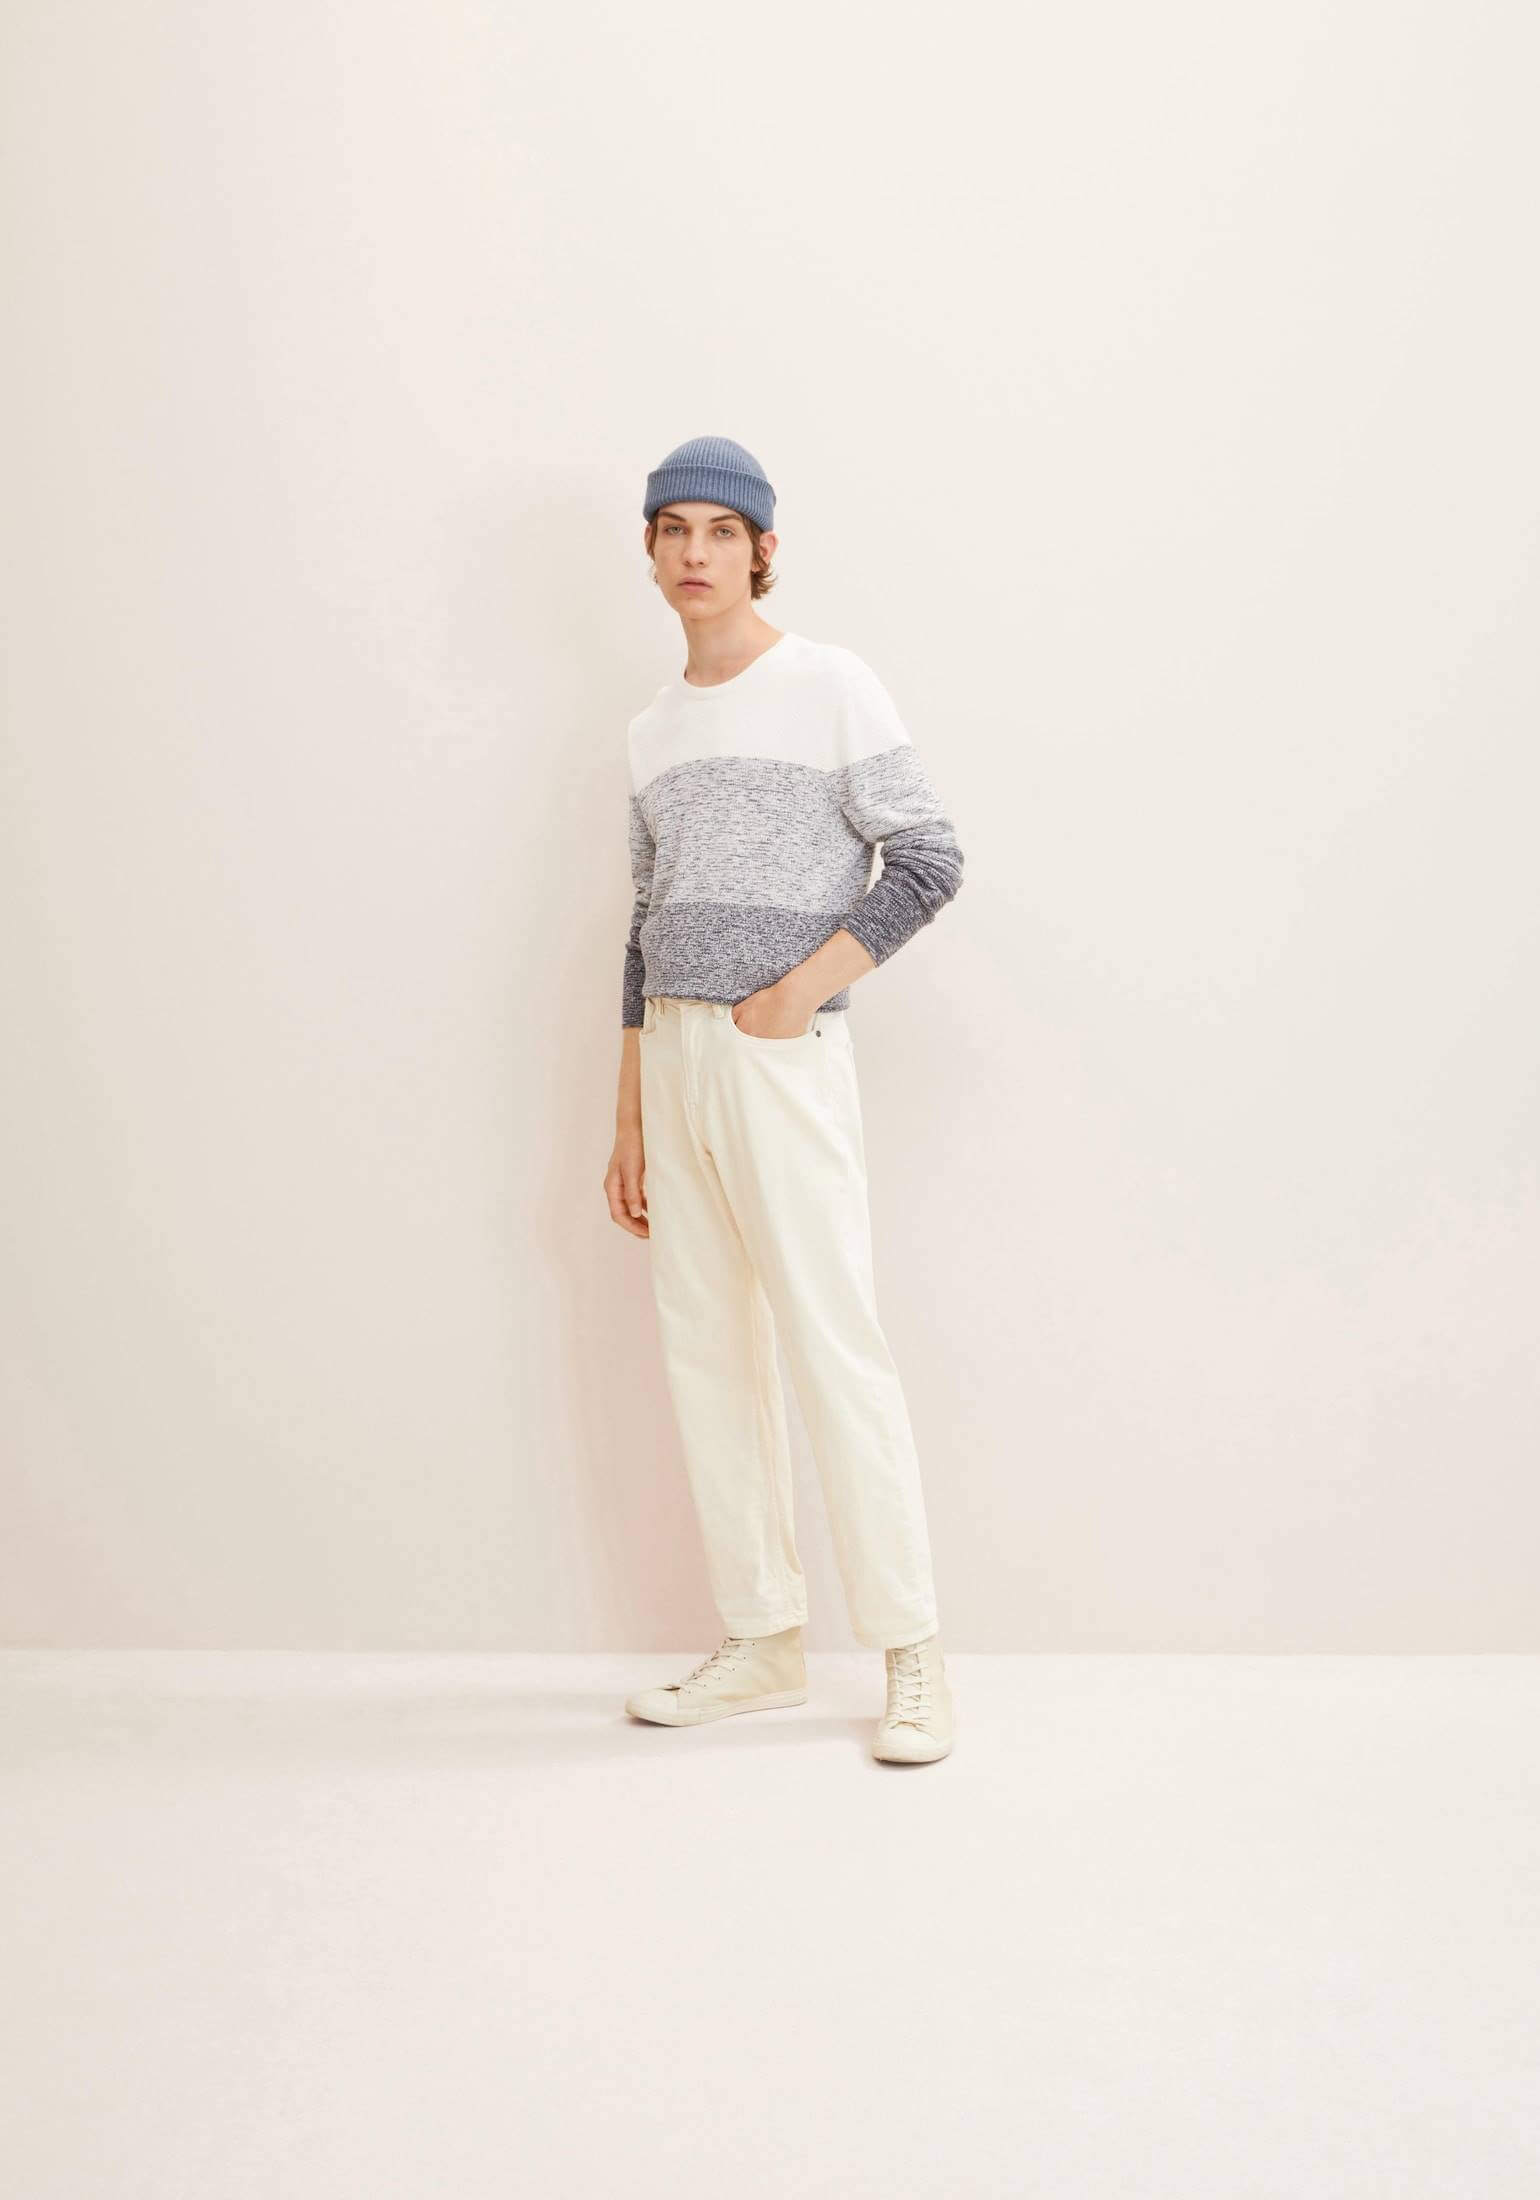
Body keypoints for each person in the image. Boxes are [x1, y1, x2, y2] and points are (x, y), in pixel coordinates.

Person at [603, 435, 965, 1764]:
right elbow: (642, 927)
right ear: (652, 553)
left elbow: (927, 858)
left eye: (720, 530)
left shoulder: (829, 685)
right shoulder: (651, 730)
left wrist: (797, 993)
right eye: (673, 530)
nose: (694, 552)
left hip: (779, 1052)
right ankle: (762, 1641)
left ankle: (912, 1654)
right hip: (677, 1059)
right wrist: (630, 1115)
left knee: (831, 1339)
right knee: (708, 1350)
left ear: (761, 550)